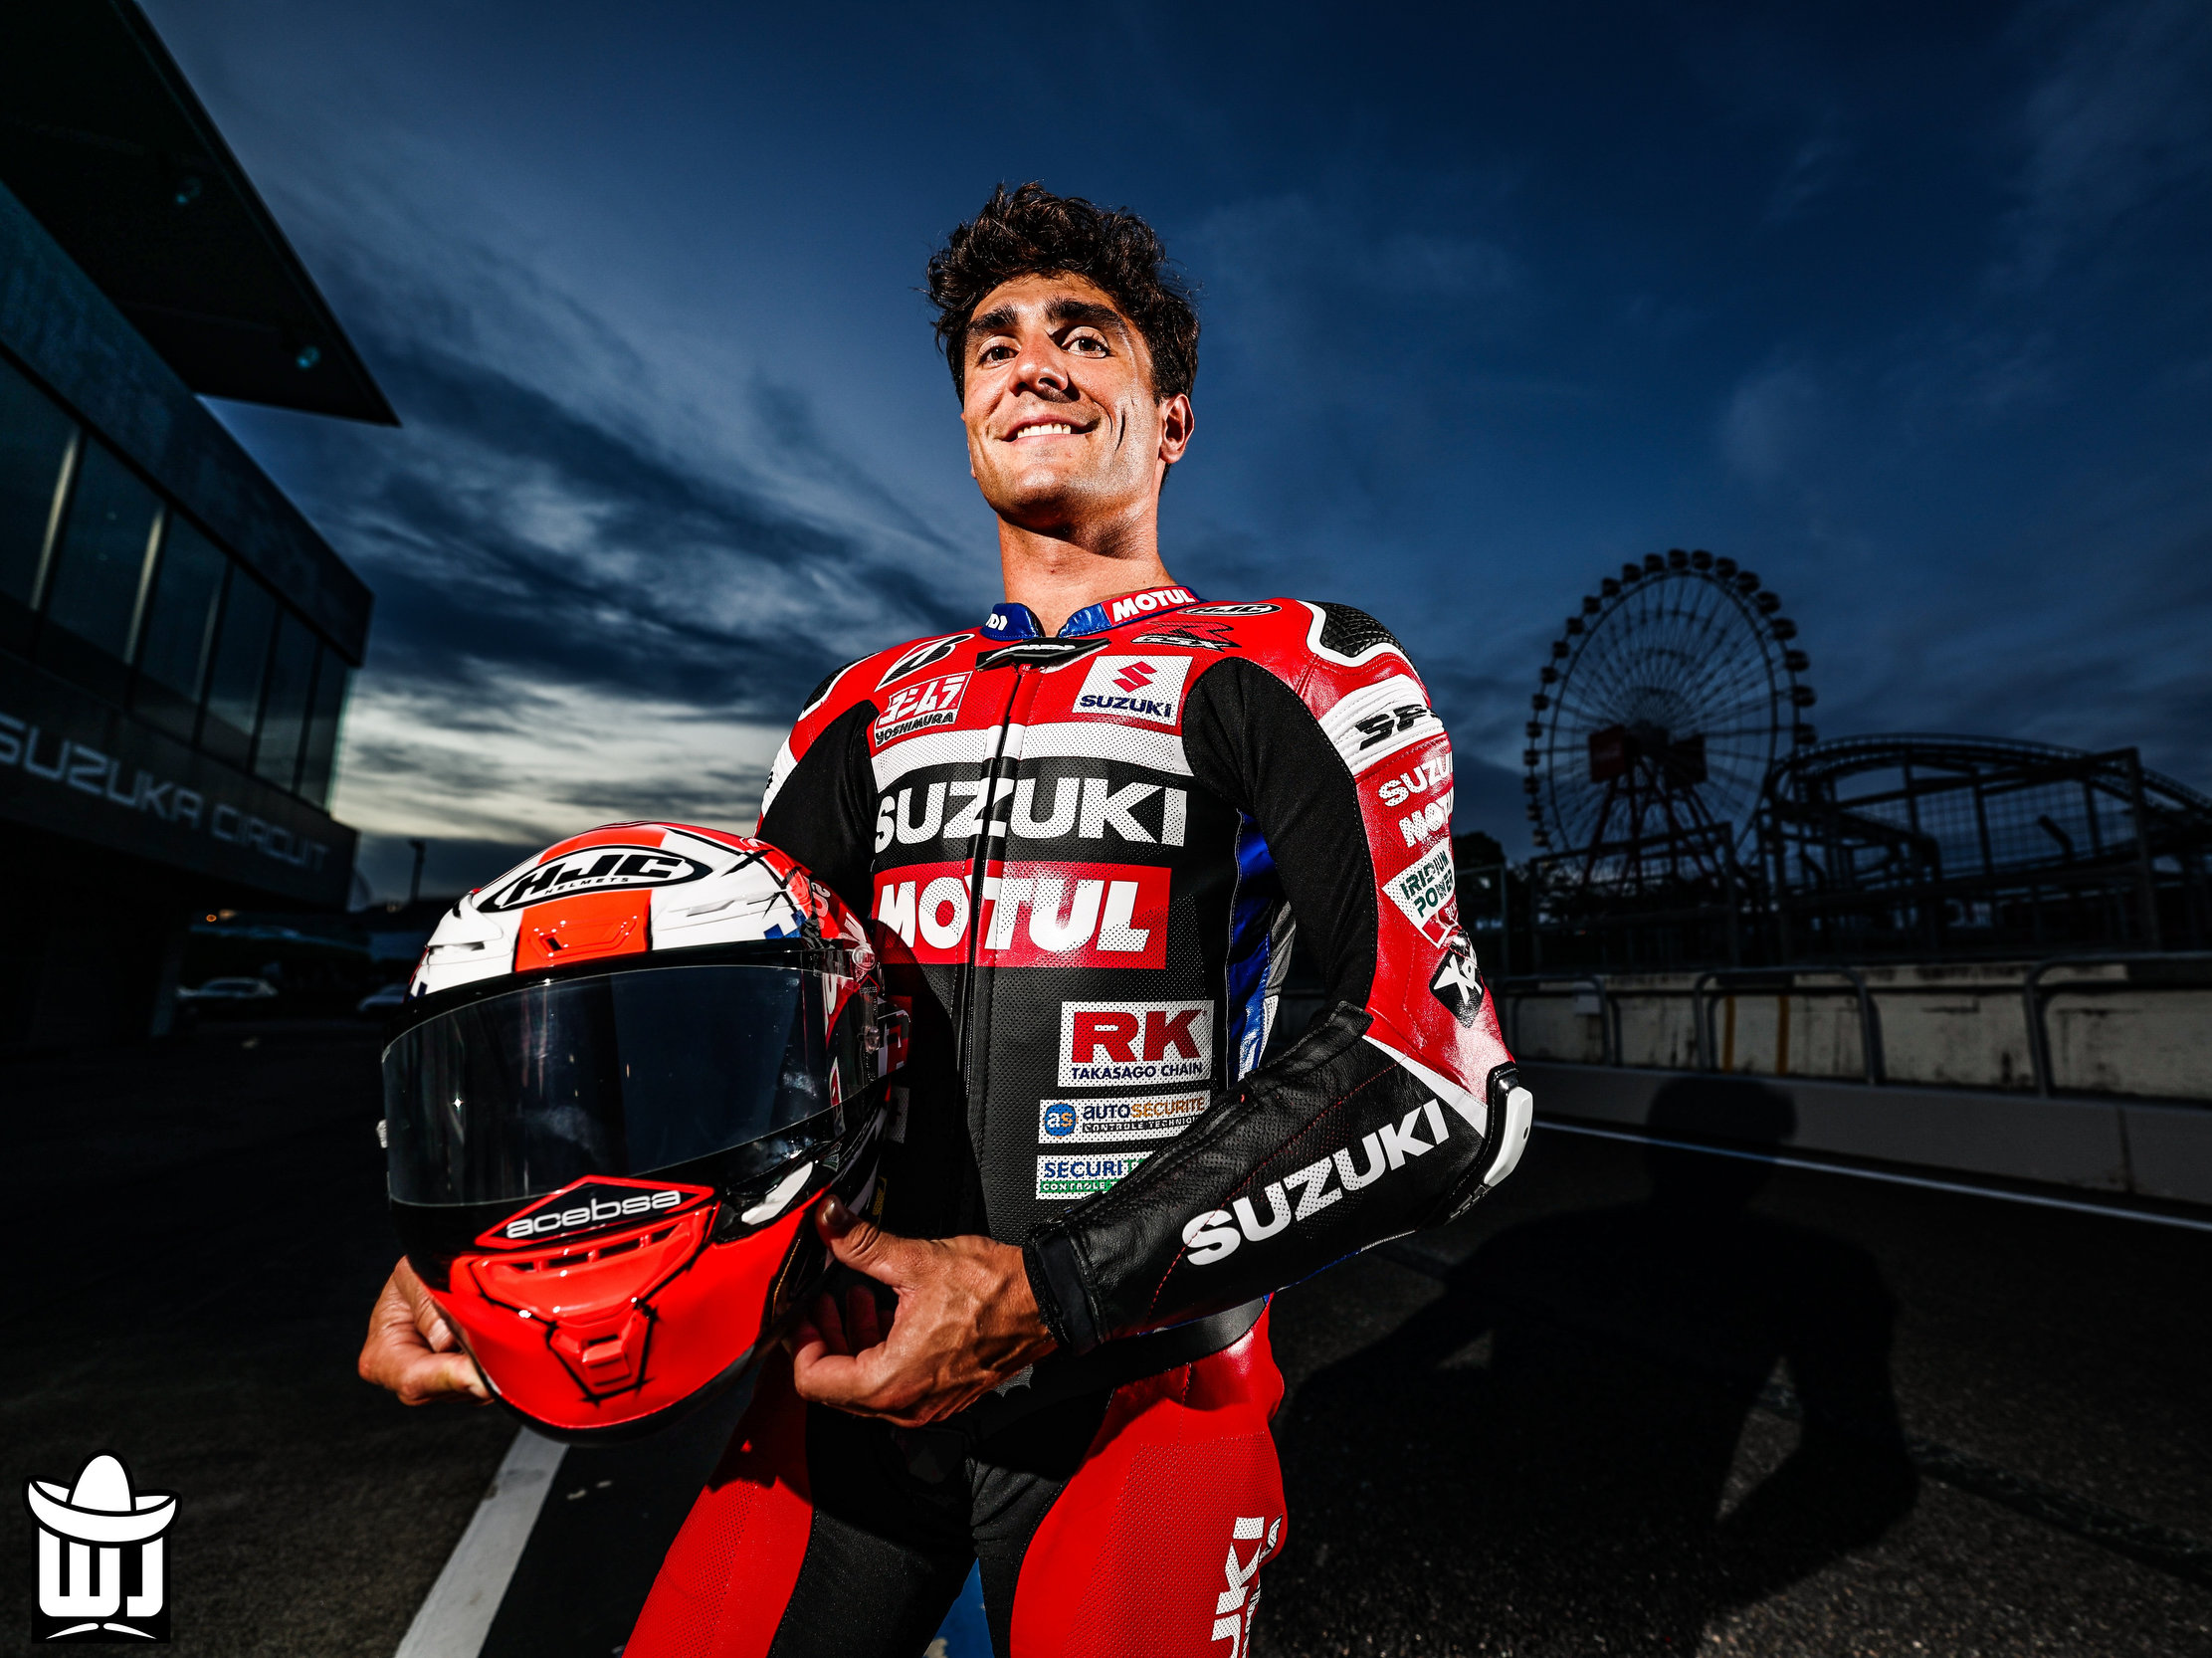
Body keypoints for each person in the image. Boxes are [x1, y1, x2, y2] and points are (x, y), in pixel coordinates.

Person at [360, 182, 1531, 1657]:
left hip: (1136, 1393)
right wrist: (489, 1248)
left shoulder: (1297, 667)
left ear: (1172, 419)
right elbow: (741, 1050)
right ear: (968, 413)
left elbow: (1443, 1087)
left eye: (1085, 339)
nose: (1033, 364)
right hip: (847, 1387)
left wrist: (1046, 1292)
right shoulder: (852, 713)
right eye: (995, 345)